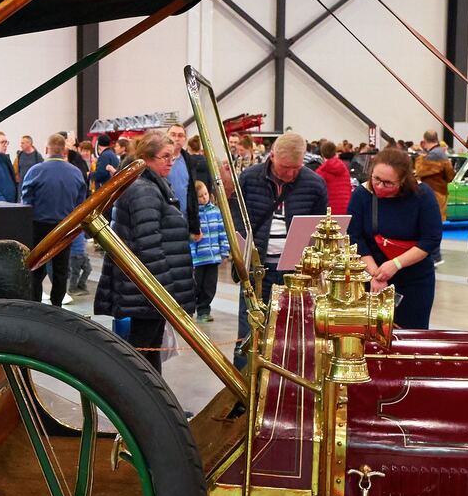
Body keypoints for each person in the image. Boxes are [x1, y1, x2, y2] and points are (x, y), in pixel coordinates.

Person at [94, 128, 196, 372]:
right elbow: (148, 245)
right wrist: (166, 291)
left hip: (147, 289)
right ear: (148, 158)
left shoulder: (150, 184)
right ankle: (131, 401)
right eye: (165, 156)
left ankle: (154, 404)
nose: (171, 162)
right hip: (149, 289)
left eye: (173, 156)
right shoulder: (144, 189)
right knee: (140, 352)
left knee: (148, 350)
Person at [235, 131, 329, 359]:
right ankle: (242, 389)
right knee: (249, 335)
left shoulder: (314, 184)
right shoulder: (249, 178)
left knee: (293, 337)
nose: (290, 173)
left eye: (296, 168)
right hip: (257, 272)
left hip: (295, 275)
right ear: (273, 156)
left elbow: (320, 227)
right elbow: (236, 218)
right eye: (285, 167)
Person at [347, 146, 443, 329]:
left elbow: (430, 239)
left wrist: (395, 264)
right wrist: (375, 274)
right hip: (371, 279)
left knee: (411, 337)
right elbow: (355, 237)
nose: (380, 186)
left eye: (388, 183)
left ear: (404, 180)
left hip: (414, 281)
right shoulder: (361, 195)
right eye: (376, 179)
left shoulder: (423, 195)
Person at [19, 133, 88, 306]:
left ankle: (35, 307)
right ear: (65, 150)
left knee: (35, 269)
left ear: (46, 149)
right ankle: (56, 307)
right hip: (64, 228)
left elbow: (26, 201)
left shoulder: (35, 171)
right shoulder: (76, 173)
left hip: (38, 227)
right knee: (61, 271)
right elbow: (81, 203)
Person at [189, 180, 226, 321]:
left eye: (206, 194)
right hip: (198, 258)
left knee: (210, 286)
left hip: (213, 257)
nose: (204, 198)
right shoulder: (193, 215)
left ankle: (204, 311)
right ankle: (191, 309)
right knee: (196, 285)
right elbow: (188, 235)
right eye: (200, 196)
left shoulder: (216, 212)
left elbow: (222, 232)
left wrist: (224, 251)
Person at [414, 131, 454, 217]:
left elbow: (419, 172)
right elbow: (450, 176)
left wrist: (420, 159)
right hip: (442, 191)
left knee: (433, 218)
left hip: (432, 192)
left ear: (424, 141)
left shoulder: (431, 156)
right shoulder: (442, 153)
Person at [315, 139, 353, 215]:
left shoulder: (320, 172)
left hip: (328, 212)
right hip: (346, 208)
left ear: (322, 154)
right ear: (335, 152)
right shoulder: (344, 168)